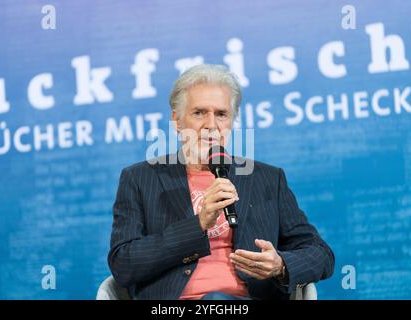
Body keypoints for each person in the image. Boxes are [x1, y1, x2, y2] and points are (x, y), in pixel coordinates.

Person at [108, 64, 334, 300]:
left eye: (221, 114)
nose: (211, 125)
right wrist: (198, 225)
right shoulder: (140, 179)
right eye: (199, 113)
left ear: (232, 121)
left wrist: (280, 265)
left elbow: (321, 254)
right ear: (176, 120)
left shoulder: (267, 179)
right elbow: (123, 264)